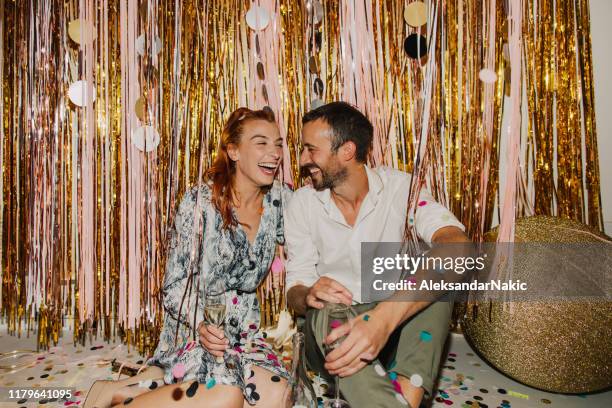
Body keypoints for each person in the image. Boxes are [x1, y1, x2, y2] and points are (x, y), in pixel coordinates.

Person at [84, 107, 292, 408]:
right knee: (226, 396)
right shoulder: (200, 202)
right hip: (195, 328)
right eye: (261, 143)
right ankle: (128, 392)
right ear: (233, 151)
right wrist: (203, 325)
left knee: (279, 395)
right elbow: (174, 285)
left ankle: (133, 388)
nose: (274, 153)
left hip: (245, 332)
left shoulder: (280, 200)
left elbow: (316, 229)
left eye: (278, 144)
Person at [285, 102, 471, 408]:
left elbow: (458, 247)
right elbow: (295, 290)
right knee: (327, 307)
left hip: (392, 333)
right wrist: (307, 294)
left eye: (310, 149)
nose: (303, 159)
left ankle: (402, 398)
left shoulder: (401, 190)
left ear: (346, 151)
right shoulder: (302, 204)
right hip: (329, 339)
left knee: (437, 283)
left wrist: (382, 318)